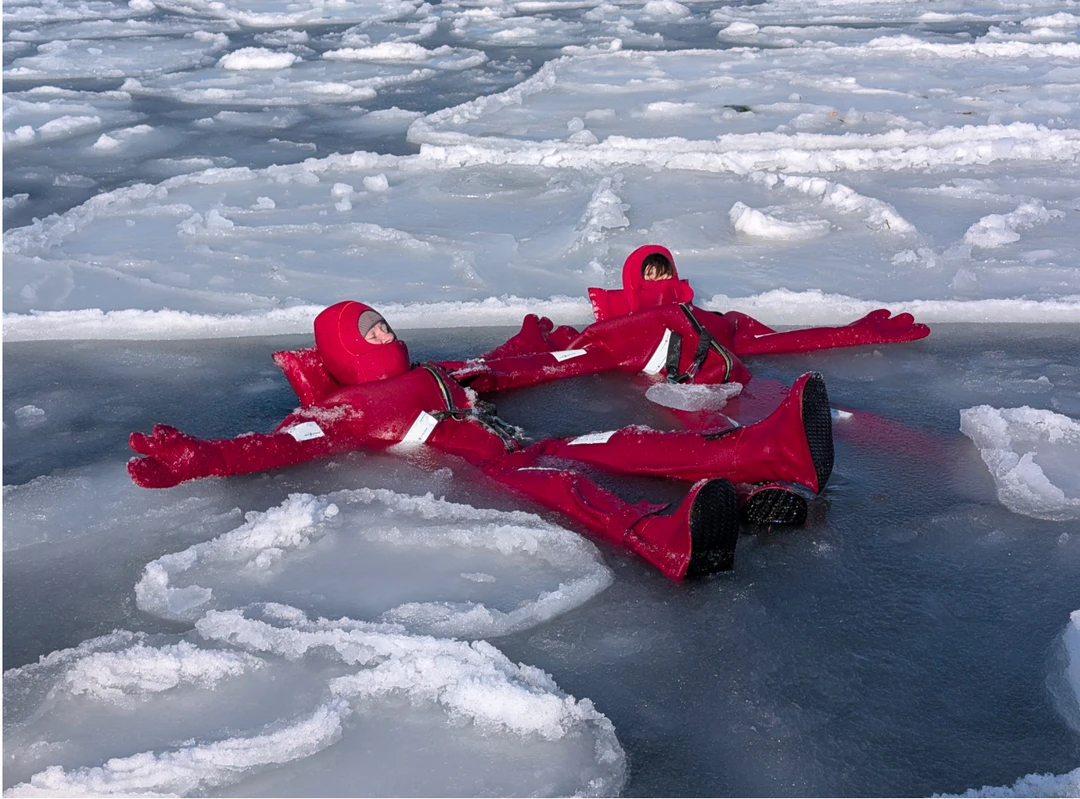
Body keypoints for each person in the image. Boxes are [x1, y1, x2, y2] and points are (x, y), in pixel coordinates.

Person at [128, 301, 836, 580]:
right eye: (370, 328)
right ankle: (667, 538)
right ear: (345, 346)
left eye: (382, 321)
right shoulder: (347, 411)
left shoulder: (430, 372)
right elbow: (281, 446)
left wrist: (530, 344)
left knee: (623, 441)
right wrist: (207, 457)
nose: (386, 330)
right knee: (575, 486)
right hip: (500, 470)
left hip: (519, 442)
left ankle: (765, 457)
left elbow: (495, 371)